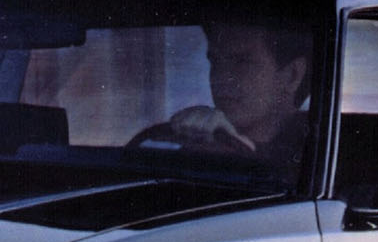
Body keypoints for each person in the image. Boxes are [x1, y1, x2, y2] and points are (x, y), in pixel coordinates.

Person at [135, 18, 316, 189]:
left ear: (292, 75)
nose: (219, 78)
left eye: (242, 62)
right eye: (215, 62)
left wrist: (236, 151)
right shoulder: (166, 139)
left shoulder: (314, 157)